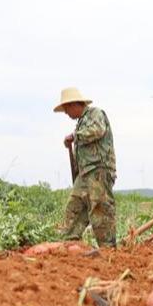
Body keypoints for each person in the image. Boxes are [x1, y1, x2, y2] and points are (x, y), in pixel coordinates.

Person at [54, 87, 117, 247]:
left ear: (75, 104)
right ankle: (68, 245)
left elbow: (97, 130)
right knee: (74, 208)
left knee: (100, 211)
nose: (67, 113)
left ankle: (108, 250)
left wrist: (75, 136)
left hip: (98, 171)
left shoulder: (95, 114)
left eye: (67, 109)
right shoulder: (81, 122)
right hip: (84, 174)